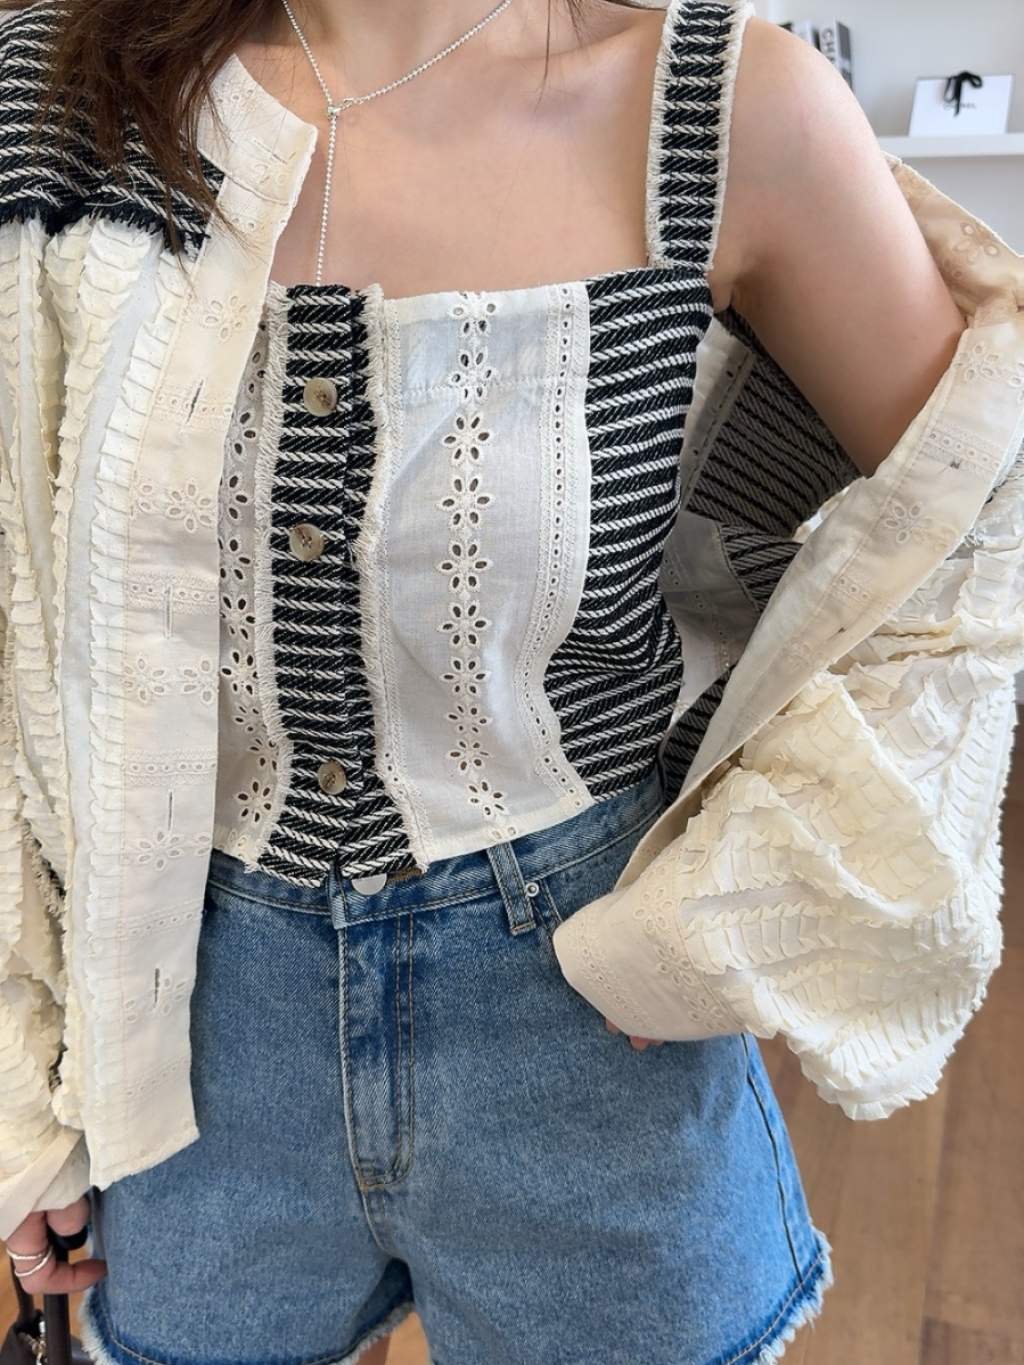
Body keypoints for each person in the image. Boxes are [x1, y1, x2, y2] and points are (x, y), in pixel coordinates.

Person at [1, 0, 1022, 1362]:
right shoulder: (58, 91)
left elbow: (976, 520)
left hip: (587, 1018)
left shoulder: (723, 111)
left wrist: (748, 901)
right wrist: (18, 1083)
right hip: (181, 1040)